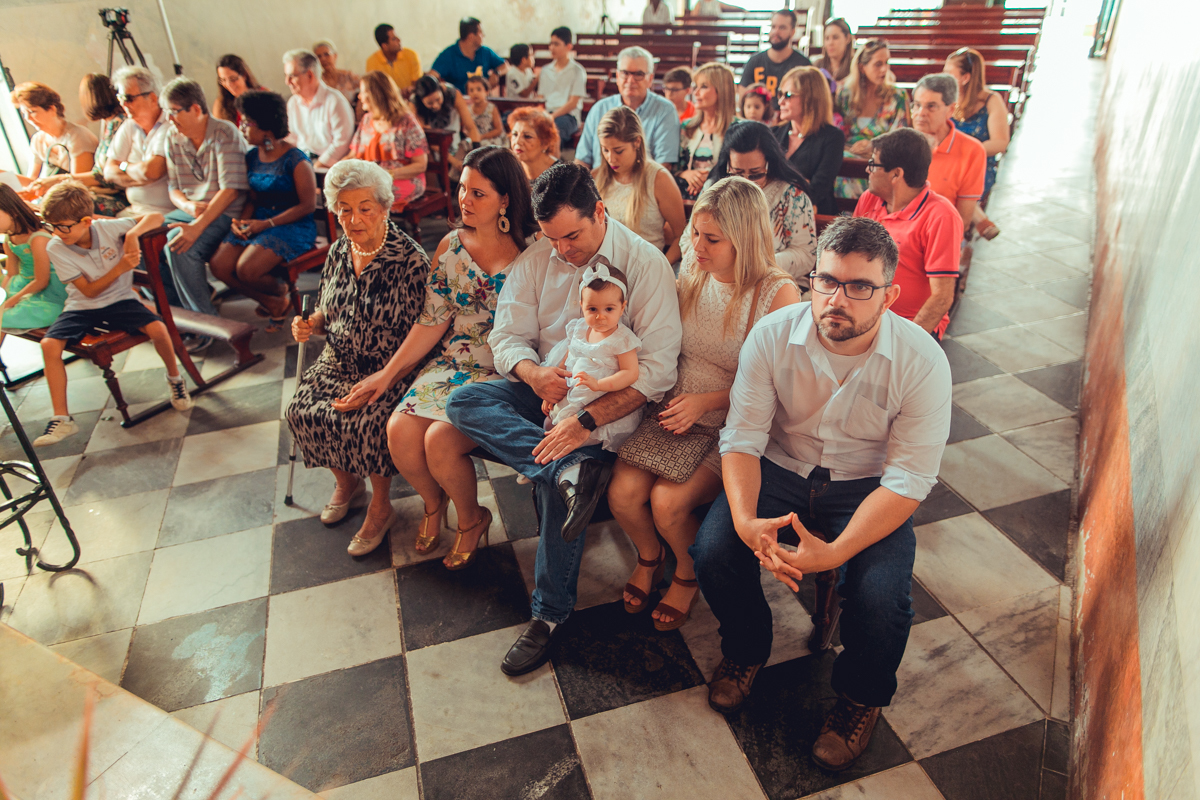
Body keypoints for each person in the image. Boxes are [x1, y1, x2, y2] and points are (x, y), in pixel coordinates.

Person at [691, 216, 952, 772]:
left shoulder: (922, 361)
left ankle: (860, 697)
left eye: (859, 287)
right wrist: (745, 520)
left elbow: (909, 478)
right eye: (827, 281)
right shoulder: (772, 336)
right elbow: (742, 437)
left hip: (868, 486)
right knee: (713, 551)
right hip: (781, 468)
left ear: (889, 295)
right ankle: (745, 649)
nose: (837, 299)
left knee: (882, 598)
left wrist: (834, 553)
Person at [439, 162, 682, 677]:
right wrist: (534, 374)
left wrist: (585, 422)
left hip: (608, 408)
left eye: (572, 237)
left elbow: (657, 374)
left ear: (600, 212)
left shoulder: (645, 266)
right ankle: (566, 471)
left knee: (558, 479)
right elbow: (506, 336)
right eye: (552, 238)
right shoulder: (538, 258)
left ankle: (548, 614)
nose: (563, 250)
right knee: (463, 403)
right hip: (549, 393)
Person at [608, 176, 798, 630]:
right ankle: (651, 556)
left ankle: (687, 571)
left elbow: (778, 388)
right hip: (675, 408)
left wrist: (705, 403)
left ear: (745, 239)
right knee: (623, 495)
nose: (695, 246)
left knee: (667, 503)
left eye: (712, 239)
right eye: (695, 232)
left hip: (732, 420)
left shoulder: (777, 294)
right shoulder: (694, 270)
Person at [387, 147, 536, 566]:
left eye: (478, 193)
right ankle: (434, 505)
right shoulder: (450, 246)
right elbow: (432, 320)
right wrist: (386, 374)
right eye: (462, 189)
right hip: (455, 363)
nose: (464, 201)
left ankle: (471, 519)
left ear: (505, 199)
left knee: (438, 440)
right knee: (399, 432)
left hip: (507, 370)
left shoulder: (536, 249)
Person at [285, 160, 430, 557]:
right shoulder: (338, 251)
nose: (354, 219)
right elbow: (328, 312)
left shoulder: (410, 260)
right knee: (302, 410)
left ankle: (381, 506)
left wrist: (386, 376)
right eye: (344, 209)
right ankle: (348, 483)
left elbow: (425, 331)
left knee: (367, 423)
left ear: (384, 208)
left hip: (389, 366)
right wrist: (310, 324)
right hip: (338, 360)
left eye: (365, 208)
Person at [35, 181, 190, 446]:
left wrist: (132, 235)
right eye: (51, 226)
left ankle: (175, 379)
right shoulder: (55, 247)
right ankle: (62, 418)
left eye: (63, 226)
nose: (57, 233)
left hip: (120, 300)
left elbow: (155, 217)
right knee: (49, 344)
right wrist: (120, 267)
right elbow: (89, 292)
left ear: (86, 221)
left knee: (158, 329)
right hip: (82, 306)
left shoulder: (108, 228)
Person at [210, 90, 317, 328]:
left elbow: (308, 205)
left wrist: (266, 224)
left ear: (265, 128)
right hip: (259, 220)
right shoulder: (251, 157)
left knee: (246, 269)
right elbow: (252, 199)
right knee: (219, 266)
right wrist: (241, 222)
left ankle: (280, 289)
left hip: (293, 224)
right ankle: (272, 301)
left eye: (246, 123)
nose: (241, 128)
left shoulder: (296, 160)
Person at [854, 128, 960, 339]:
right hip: (862, 315)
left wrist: (908, 342)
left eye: (873, 164)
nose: (867, 170)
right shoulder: (869, 199)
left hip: (908, 324)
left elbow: (942, 297)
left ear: (896, 174)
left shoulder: (941, 216)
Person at [158, 77, 248, 321]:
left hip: (225, 211)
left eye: (173, 112)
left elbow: (231, 191)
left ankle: (207, 322)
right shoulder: (172, 136)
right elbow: (173, 187)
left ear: (196, 109)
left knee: (177, 245)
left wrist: (196, 227)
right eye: (166, 112)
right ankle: (177, 316)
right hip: (190, 209)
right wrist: (187, 205)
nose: (169, 119)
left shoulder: (224, 132)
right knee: (143, 240)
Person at [696, 121, 817, 282]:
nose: (746, 182)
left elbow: (806, 254)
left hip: (770, 280)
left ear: (769, 164)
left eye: (755, 174)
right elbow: (689, 238)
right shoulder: (714, 189)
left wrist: (755, 265)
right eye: (737, 173)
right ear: (727, 165)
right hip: (716, 278)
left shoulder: (791, 196)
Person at [542, 264, 643, 446]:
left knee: (565, 436)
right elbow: (567, 361)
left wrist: (598, 384)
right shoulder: (580, 328)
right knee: (549, 425)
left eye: (609, 309)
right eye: (593, 309)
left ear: (622, 307)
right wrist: (552, 392)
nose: (600, 317)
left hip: (598, 401)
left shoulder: (622, 339)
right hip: (573, 394)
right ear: (582, 306)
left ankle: (577, 458)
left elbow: (630, 373)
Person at [25, 75, 128, 217]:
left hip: (119, 194)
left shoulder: (115, 124)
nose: (28, 118)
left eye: (32, 111)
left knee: (63, 207)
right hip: (107, 190)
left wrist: (57, 180)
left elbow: (100, 176)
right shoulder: (108, 123)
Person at [593, 107, 686, 262]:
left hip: (646, 266)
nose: (611, 158)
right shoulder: (596, 177)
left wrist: (661, 268)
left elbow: (682, 236)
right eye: (605, 150)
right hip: (603, 267)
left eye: (618, 151)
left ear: (637, 142)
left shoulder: (659, 179)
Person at [575, 47, 681, 169]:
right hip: (599, 179)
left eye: (639, 74)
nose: (630, 80)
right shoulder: (599, 109)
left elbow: (663, 166)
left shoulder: (665, 110)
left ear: (650, 79)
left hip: (645, 180)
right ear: (617, 76)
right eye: (625, 73)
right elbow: (582, 160)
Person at [945, 47, 1010, 240]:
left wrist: (966, 153)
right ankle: (979, 221)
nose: (944, 77)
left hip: (978, 166)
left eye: (949, 73)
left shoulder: (991, 100)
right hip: (947, 161)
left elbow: (1000, 143)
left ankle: (958, 238)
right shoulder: (946, 98)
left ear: (965, 78)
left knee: (950, 182)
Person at [911, 73, 986, 233]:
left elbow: (962, 220)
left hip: (941, 234)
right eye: (917, 105)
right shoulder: (901, 142)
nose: (920, 113)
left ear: (950, 109)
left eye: (931, 106)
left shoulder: (972, 150)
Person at [835, 40, 909, 201]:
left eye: (887, 63)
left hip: (883, 160)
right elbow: (834, 132)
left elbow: (900, 137)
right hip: (847, 155)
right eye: (878, 64)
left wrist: (873, 147)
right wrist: (850, 148)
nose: (884, 69)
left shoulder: (897, 96)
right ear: (862, 67)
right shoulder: (845, 95)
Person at [347, 72, 429, 213]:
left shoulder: (406, 121)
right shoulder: (367, 120)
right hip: (370, 180)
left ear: (376, 94)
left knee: (368, 197)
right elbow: (353, 155)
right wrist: (336, 170)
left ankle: (374, 226)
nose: (359, 96)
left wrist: (386, 174)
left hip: (401, 178)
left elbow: (420, 165)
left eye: (363, 92)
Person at [103, 66, 174, 217]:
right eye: (120, 98)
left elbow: (151, 171)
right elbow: (108, 171)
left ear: (153, 98)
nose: (123, 104)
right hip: (134, 209)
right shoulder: (129, 125)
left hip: (162, 213)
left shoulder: (170, 125)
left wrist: (123, 166)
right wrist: (142, 177)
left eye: (128, 98)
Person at [774, 65, 845, 216]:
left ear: (809, 98)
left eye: (788, 95)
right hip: (774, 212)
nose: (780, 101)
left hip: (815, 217)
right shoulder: (774, 133)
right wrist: (801, 183)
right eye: (780, 94)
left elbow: (817, 190)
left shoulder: (833, 137)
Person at [0, 184, 67, 332]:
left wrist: (9, 303)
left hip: (47, 295)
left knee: (4, 316)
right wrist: (3, 298)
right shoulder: (9, 238)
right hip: (21, 285)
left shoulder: (38, 239)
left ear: (12, 212)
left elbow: (41, 281)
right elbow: (11, 274)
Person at [11, 82, 98, 193]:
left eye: (32, 111)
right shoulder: (38, 140)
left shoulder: (77, 136)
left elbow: (77, 186)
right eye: (24, 113)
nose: (28, 118)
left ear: (52, 109)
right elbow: (33, 181)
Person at [675, 63, 740, 200]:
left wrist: (712, 179)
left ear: (721, 90)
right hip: (687, 199)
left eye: (703, 86)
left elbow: (744, 174)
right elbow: (673, 168)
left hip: (725, 200)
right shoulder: (687, 127)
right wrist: (686, 174)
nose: (696, 93)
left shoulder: (739, 128)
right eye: (696, 86)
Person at [284, 49, 355, 171]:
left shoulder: (335, 101)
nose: (287, 82)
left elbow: (342, 143)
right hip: (303, 164)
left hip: (330, 168)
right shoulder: (293, 103)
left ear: (310, 75)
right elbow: (292, 138)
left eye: (292, 76)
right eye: (286, 76)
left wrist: (316, 167)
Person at [738, 10, 811, 99]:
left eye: (782, 28)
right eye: (773, 27)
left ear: (792, 32)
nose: (776, 32)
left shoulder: (803, 65)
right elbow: (743, 97)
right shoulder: (754, 61)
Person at [536, 27, 588, 146]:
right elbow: (540, 98)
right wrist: (543, 115)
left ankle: (555, 158)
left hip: (568, 116)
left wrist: (551, 116)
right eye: (550, 44)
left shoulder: (577, 71)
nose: (551, 48)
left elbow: (573, 103)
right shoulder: (545, 70)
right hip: (546, 113)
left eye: (556, 44)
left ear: (568, 46)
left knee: (554, 132)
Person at [410, 76, 483, 159]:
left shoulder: (452, 93)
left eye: (438, 99)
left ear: (442, 89)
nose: (435, 105)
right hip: (431, 145)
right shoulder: (414, 102)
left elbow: (471, 127)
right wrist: (453, 161)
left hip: (454, 140)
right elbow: (421, 136)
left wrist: (477, 155)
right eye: (430, 103)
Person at [430, 17, 508, 94]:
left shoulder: (485, 52)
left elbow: (505, 66)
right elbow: (431, 76)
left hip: (483, 99)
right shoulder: (449, 55)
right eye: (481, 32)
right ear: (471, 36)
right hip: (459, 99)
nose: (484, 35)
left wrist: (496, 73)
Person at [365, 25, 422, 95]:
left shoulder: (411, 55)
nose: (399, 40)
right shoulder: (372, 62)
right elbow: (375, 91)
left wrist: (410, 90)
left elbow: (417, 85)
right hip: (388, 100)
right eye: (394, 39)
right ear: (385, 46)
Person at [509, 107, 560, 183]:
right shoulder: (510, 171)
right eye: (515, 134)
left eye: (527, 136)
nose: (517, 141)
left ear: (545, 142)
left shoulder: (560, 175)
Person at [213, 55, 267, 126]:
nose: (228, 84)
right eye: (223, 80)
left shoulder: (265, 95)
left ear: (244, 75)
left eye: (233, 79)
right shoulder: (221, 104)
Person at [462, 75, 505, 151]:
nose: (475, 93)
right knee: (463, 145)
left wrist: (482, 136)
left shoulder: (491, 108)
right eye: (471, 90)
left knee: (484, 145)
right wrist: (470, 135)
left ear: (487, 91)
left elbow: (498, 129)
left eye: (479, 90)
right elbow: (465, 128)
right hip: (474, 138)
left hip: (491, 138)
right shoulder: (468, 109)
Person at [313, 40, 361, 107]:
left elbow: (366, 91)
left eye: (326, 54)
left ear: (335, 56)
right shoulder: (318, 81)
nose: (323, 59)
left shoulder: (348, 76)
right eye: (319, 56)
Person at [812, 18, 854, 92]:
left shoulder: (854, 67)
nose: (830, 43)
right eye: (827, 38)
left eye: (835, 37)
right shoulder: (817, 66)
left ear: (847, 38)